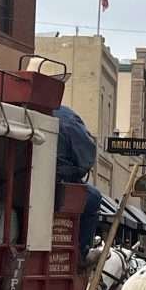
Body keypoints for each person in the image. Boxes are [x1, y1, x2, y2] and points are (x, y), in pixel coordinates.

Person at [53, 106, 103, 271]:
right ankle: (81, 253)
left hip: (18, 182)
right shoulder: (66, 117)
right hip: (54, 184)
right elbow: (84, 158)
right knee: (93, 197)